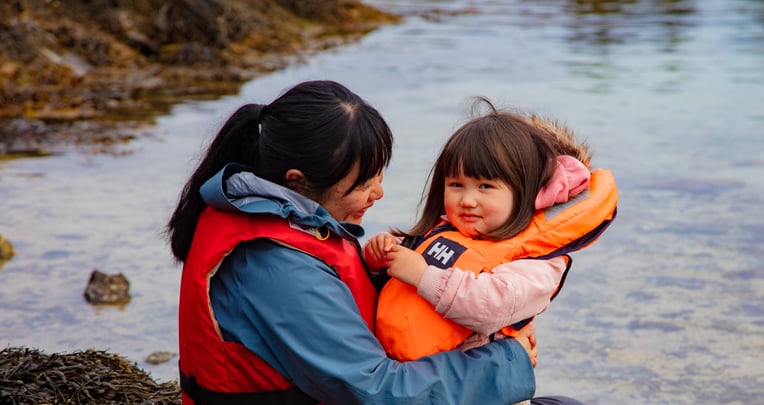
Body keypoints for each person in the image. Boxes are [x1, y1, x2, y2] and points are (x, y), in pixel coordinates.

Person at [166, 81, 541, 404]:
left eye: (378, 175)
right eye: (363, 183)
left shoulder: (273, 217)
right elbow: (376, 392)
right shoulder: (273, 263)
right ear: (296, 181)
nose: (378, 192)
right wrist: (505, 361)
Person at [365, 99, 618, 376]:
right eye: (456, 185)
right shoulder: (446, 231)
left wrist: (423, 276)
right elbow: (417, 260)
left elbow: (490, 306)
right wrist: (382, 255)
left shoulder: (537, 264)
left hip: (478, 387)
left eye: (486, 186)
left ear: (524, 191)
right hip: (412, 376)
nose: (468, 200)